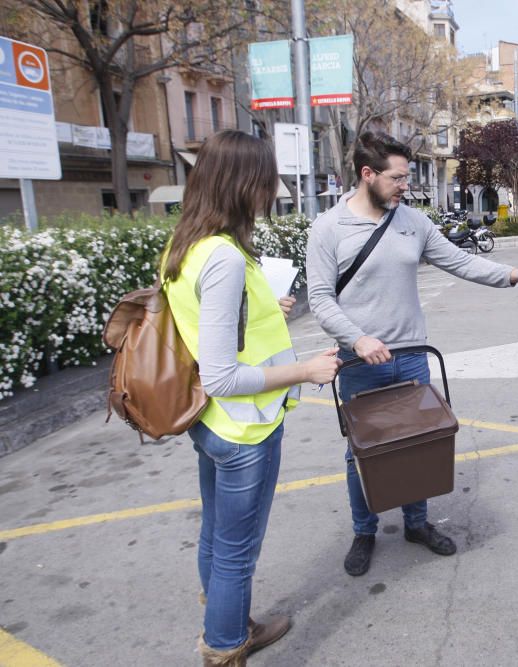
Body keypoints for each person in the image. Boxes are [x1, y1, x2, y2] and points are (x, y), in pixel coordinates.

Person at [306, 131, 518, 577]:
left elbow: (461, 261)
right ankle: (364, 530)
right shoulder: (328, 229)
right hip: (358, 364)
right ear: (367, 175)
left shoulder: (411, 222)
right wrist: (358, 339)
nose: (406, 185)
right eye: (398, 177)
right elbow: (321, 299)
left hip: (410, 358)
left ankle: (416, 524)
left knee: (417, 444)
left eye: (407, 177)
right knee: (360, 453)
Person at [161, 130, 341, 667]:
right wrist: (305, 370)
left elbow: (207, 326)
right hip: (244, 428)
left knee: (217, 536)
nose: (272, 191)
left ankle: (225, 618)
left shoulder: (185, 244)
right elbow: (220, 375)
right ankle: (224, 647)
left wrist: (268, 308)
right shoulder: (224, 257)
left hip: (212, 425)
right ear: (243, 184)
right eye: (266, 180)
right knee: (237, 551)